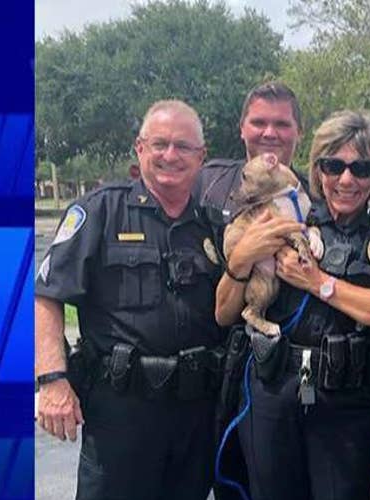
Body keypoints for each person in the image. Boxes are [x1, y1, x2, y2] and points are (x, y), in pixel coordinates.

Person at [215, 111, 370, 500]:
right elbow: (223, 313)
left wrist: (321, 284)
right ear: (317, 169)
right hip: (273, 389)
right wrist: (240, 260)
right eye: (333, 166)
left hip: (347, 400)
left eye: (361, 168)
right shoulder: (285, 216)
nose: (346, 179)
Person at [35, 100, 223, 500]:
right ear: (139, 148)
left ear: (201, 157)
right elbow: (46, 297)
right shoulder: (100, 211)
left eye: (183, 147)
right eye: (159, 144)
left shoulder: (215, 226)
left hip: (196, 414)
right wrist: (53, 380)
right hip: (122, 412)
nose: (170, 155)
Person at [195, 80, 307, 498]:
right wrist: (243, 257)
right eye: (258, 122)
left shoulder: (310, 192)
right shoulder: (206, 186)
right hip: (227, 369)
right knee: (235, 486)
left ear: (298, 131)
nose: (268, 132)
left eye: (281, 123)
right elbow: (217, 307)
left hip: (293, 376)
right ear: (242, 127)